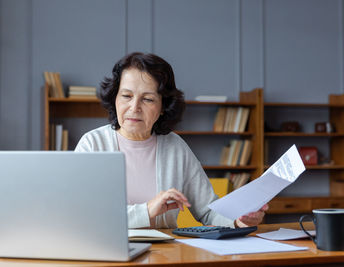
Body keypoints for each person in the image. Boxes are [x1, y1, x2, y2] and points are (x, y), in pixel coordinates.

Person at [75, 52, 268, 229]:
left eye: (148, 99)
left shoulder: (176, 147)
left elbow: (208, 211)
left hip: (165, 256)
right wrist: (147, 210)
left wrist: (238, 220)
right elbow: (83, 215)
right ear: (114, 98)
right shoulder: (92, 144)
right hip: (107, 254)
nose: (134, 107)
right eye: (126, 96)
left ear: (163, 107)